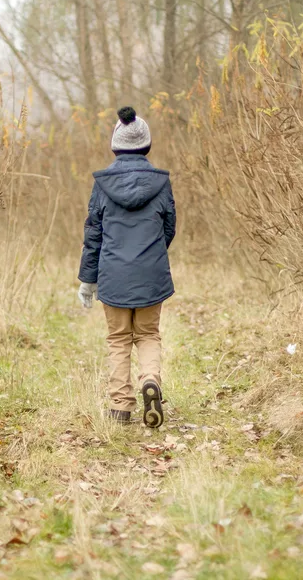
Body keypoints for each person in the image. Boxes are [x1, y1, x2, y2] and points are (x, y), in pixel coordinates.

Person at [77, 106, 177, 428]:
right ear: (146, 145)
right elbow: (169, 228)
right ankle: (151, 380)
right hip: (150, 275)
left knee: (119, 338)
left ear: (115, 146)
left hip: (113, 274)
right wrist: (151, 256)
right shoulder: (161, 184)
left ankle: (120, 406)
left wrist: (87, 280)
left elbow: (93, 235)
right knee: (148, 333)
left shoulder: (102, 186)